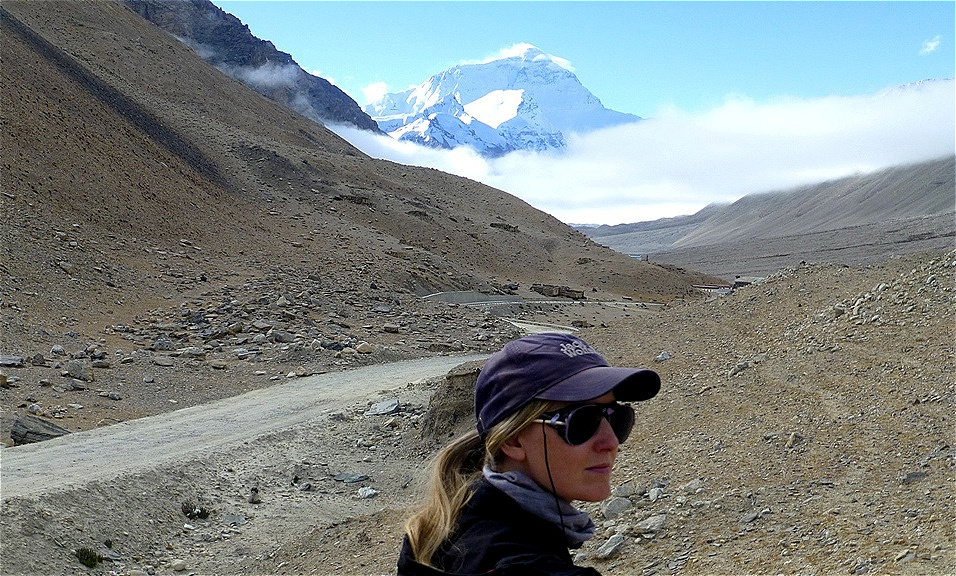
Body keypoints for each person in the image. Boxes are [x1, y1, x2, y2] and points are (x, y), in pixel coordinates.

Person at [397, 332, 661, 575]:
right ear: (513, 441)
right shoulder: (521, 564)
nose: (611, 441)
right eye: (583, 422)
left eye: (618, 418)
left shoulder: (447, 528)